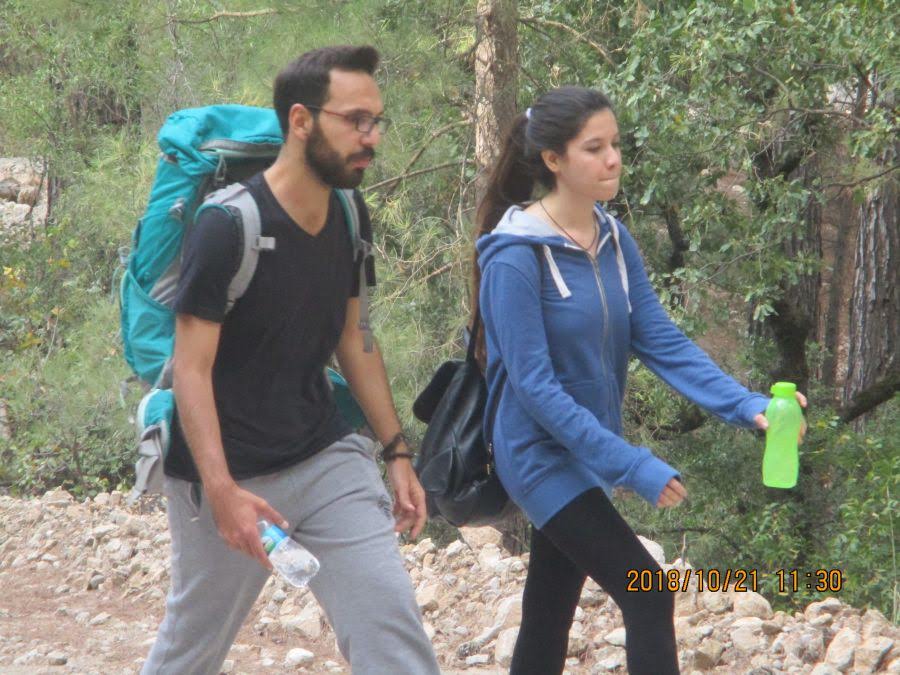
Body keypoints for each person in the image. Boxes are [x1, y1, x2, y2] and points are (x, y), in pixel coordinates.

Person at [473, 86, 806, 675]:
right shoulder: (514, 257)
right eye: (594, 148)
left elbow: (660, 339)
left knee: (549, 609)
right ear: (553, 159)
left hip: (586, 446)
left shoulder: (611, 238)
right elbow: (535, 388)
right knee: (647, 591)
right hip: (538, 453)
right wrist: (632, 465)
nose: (613, 160)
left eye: (616, 144)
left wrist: (745, 404)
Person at [142, 46, 440, 675]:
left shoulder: (350, 213)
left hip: (326, 457)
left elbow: (355, 337)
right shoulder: (226, 227)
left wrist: (397, 452)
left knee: (391, 629)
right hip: (228, 475)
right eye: (355, 120)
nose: (371, 137)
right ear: (301, 121)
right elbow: (190, 369)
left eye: (377, 121)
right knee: (190, 653)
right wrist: (222, 491)